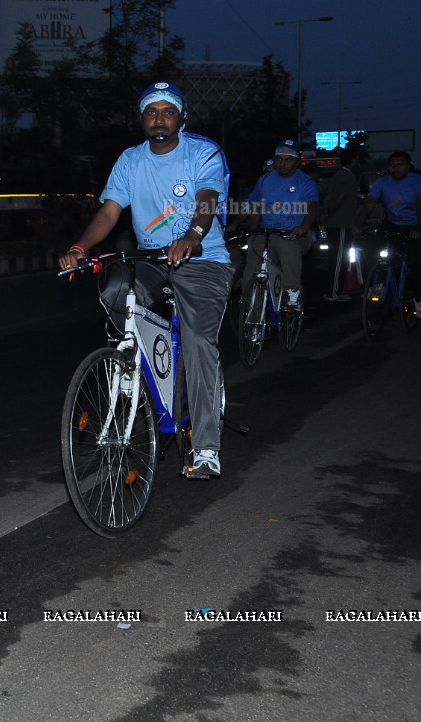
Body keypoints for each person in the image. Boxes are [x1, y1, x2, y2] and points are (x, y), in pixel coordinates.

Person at [59, 82, 233, 479]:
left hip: (204, 259)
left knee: (198, 342)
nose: (159, 119)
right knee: (115, 289)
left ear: (181, 118)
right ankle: (131, 367)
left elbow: (207, 200)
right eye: (151, 112)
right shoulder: (130, 159)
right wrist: (80, 248)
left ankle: (206, 447)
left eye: (167, 112)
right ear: (142, 120)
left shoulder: (203, 152)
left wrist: (192, 236)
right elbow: (109, 213)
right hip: (152, 258)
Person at [241, 139, 319, 311]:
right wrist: (253, 232)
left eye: (288, 160)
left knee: (287, 243)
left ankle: (293, 293)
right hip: (268, 233)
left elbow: (312, 208)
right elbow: (255, 206)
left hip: (294, 235)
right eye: (279, 159)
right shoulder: (265, 180)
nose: (282, 164)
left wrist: (304, 228)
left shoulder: (305, 182)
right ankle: (249, 299)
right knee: (253, 249)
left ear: (297, 161)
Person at [354, 150, 421, 317]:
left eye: (400, 165)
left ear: (408, 166)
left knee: (416, 263)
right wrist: (358, 225)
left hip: (414, 225)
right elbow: (369, 204)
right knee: (369, 244)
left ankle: (419, 296)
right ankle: (378, 281)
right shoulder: (383, 182)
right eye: (392, 166)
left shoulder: (418, 181)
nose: (396, 169)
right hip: (392, 224)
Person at [320, 148, 365, 301]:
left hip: (337, 223)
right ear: (353, 159)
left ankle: (335, 291)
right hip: (341, 223)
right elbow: (339, 197)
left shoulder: (338, 175)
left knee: (337, 257)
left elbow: (329, 198)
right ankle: (333, 292)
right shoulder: (347, 176)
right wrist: (330, 212)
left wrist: (327, 213)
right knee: (338, 258)